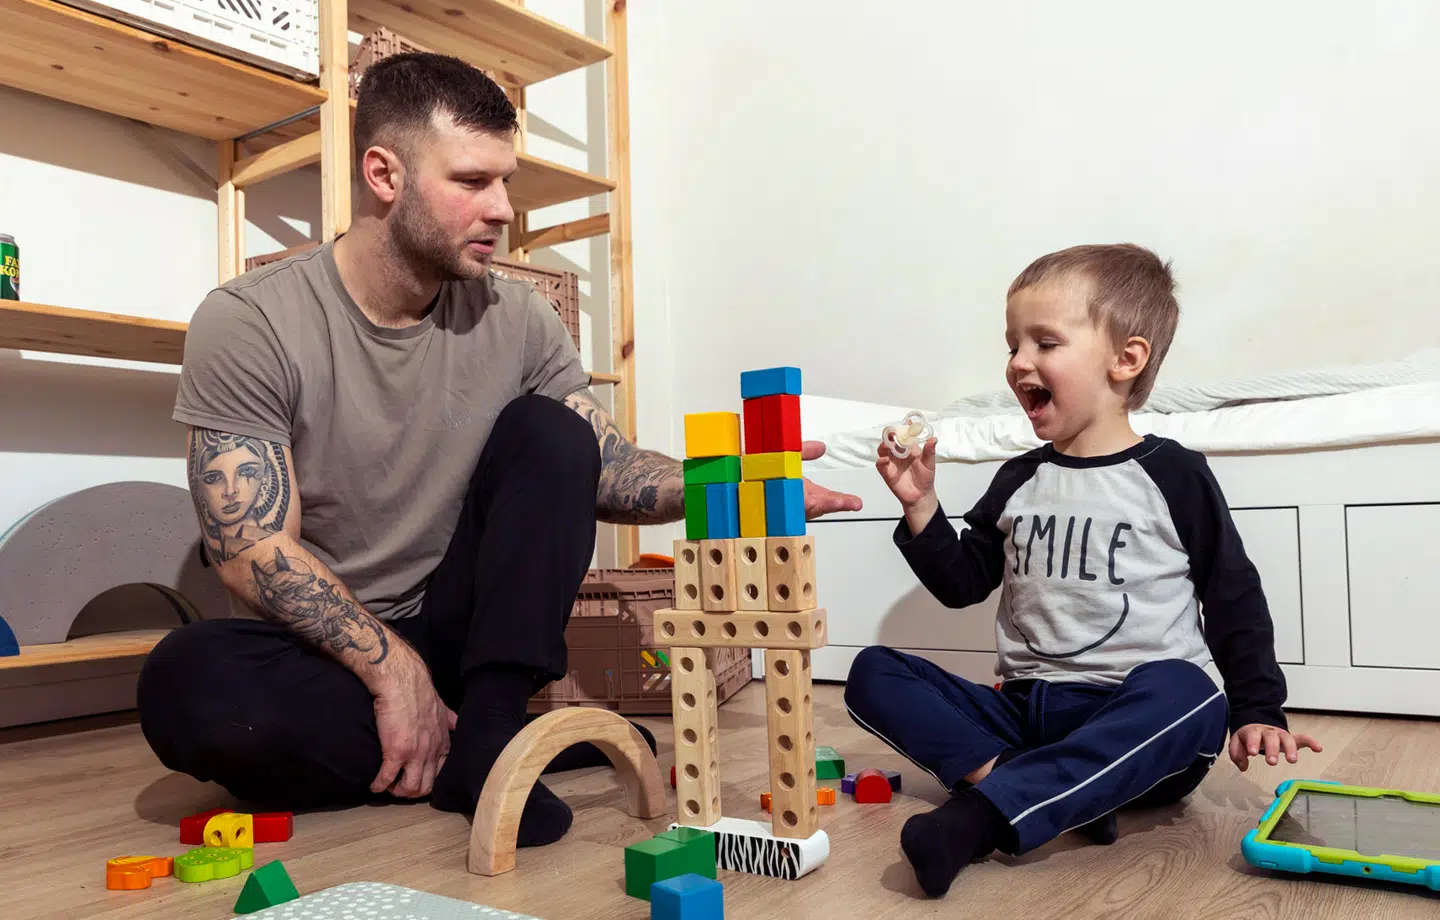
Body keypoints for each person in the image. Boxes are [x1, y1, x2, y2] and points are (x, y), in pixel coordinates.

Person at [137, 52, 861, 849]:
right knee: (186, 686)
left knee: (554, 432)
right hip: (332, 648)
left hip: (466, 631)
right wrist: (391, 670)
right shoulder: (251, 320)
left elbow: (605, 463)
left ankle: (479, 736)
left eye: (505, 182)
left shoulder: (518, 317)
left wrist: (739, 486)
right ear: (384, 175)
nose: (503, 209)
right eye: (473, 182)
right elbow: (248, 550)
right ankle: (486, 748)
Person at [842, 243, 1323, 897]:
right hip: (1026, 715)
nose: (1018, 363)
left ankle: (986, 812)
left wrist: (1258, 709)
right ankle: (1058, 791)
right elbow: (963, 584)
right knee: (873, 672)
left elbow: (1231, 594)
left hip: (1131, 718)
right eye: (1012, 345)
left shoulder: (1173, 474)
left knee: (1195, 695)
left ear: (1126, 360)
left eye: (1044, 343)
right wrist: (922, 504)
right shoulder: (1018, 479)